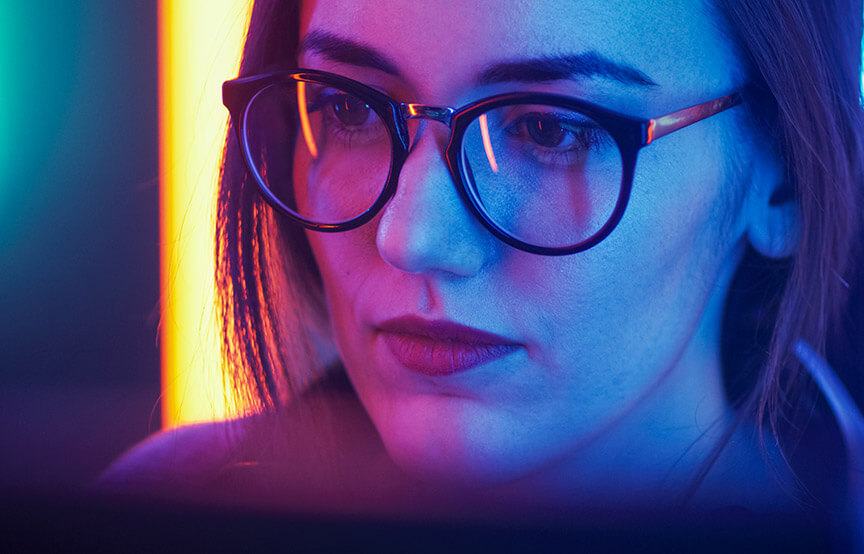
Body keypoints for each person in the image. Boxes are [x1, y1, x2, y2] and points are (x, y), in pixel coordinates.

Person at [100, 0, 864, 532]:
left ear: (787, 175)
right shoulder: (155, 512)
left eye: (548, 129)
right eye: (350, 109)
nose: (411, 237)